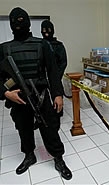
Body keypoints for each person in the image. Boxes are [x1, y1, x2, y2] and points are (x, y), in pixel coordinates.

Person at [0, 7, 72, 180]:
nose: (19, 24)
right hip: (18, 97)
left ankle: (58, 158)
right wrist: (5, 93)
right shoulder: (3, 49)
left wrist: (58, 94)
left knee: (50, 127)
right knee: (23, 128)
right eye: (15, 21)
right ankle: (29, 155)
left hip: (41, 95)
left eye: (21, 20)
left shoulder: (42, 44)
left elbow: (53, 71)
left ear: (28, 22)